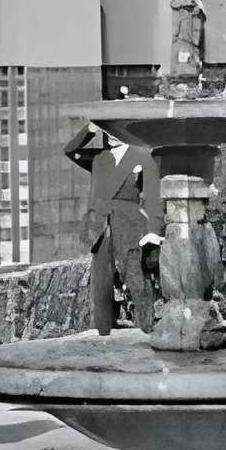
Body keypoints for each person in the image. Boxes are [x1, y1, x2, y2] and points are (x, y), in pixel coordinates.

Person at [69, 120, 157, 334]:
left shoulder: (141, 154)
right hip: (100, 226)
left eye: (115, 130)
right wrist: (90, 129)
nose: (112, 135)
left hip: (130, 224)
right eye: (107, 130)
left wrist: (154, 230)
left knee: (135, 277)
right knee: (101, 282)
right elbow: (71, 150)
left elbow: (153, 196)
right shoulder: (100, 157)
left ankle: (149, 328)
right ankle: (103, 332)